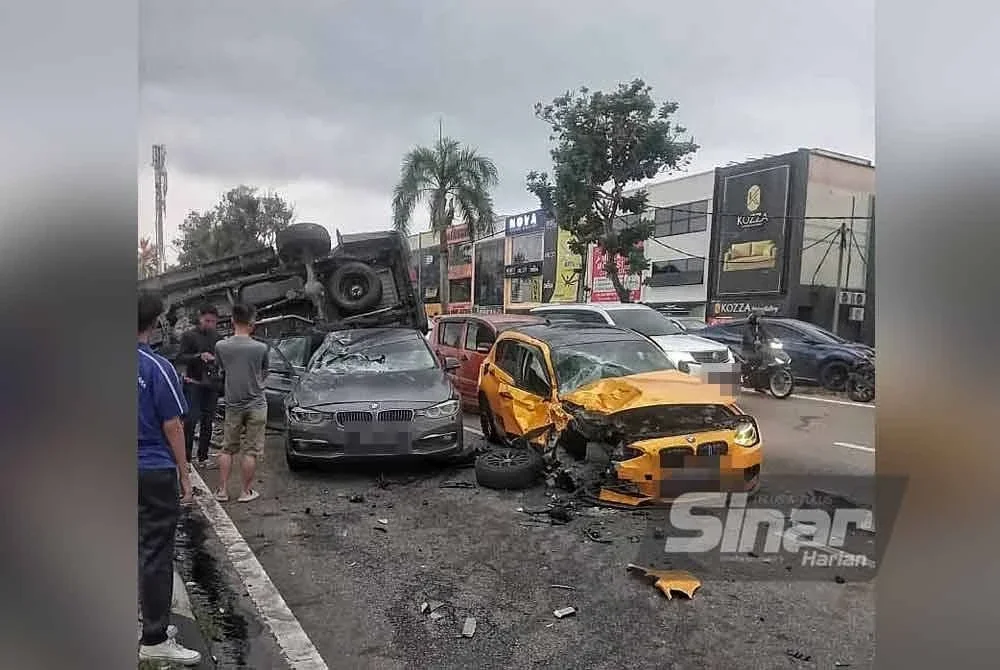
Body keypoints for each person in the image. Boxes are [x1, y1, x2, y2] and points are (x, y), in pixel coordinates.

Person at [137, 292, 201, 666]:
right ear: (155, 323)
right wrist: (185, 474)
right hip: (151, 469)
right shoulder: (156, 366)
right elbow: (174, 425)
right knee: (155, 553)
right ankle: (155, 637)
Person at [214, 303, 270, 503]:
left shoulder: (221, 346)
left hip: (233, 404)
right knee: (251, 450)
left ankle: (222, 491)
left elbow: (221, 370)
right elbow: (264, 373)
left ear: (232, 321)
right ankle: (245, 492)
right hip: (256, 403)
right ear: (252, 323)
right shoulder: (261, 348)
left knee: (227, 448)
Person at [177, 304, 222, 468]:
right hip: (193, 383)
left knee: (208, 421)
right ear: (200, 318)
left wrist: (215, 361)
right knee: (190, 420)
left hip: (211, 384)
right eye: (207, 320)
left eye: (213, 322)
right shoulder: (189, 336)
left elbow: (222, 360)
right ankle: (187, 458)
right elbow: (180, 357)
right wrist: (198, 356)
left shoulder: (218, 338)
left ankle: (203, 457)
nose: (210, 324)